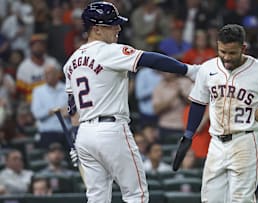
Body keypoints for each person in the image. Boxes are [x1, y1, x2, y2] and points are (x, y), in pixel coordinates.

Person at [63, 2, 198, 203]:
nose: (118, 28)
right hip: (111, 130)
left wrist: (76, 138)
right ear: (96, 29)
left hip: (85, 134)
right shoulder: (108, 51)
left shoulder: (71, 62)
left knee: (96, 198)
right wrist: (189, 71)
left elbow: (73, 108)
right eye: (112, 25)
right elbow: (150, 59)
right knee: (136, 195)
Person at [174, 24, 258, 202]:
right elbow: (199, 102)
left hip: (245, 140)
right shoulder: (208, 68)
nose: (226, 57)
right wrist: (188, 135)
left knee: (241, 199)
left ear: (243, 48)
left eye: (232, 53)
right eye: (222, 51)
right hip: (216, 143)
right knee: (210, 199)